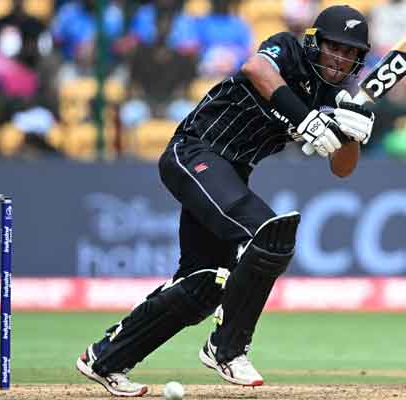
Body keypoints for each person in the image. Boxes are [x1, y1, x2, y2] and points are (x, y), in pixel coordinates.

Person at [75, 5, 376, 397]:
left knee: (201, 285)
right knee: (271, 234)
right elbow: (255, 69)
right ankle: (227, 348)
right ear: (315, 43)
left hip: (230, 175)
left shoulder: (335, 97)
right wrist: (307, 121)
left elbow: (342, 169)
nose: (341, 59)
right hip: (195, 151)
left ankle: (105, 359)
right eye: (335, 48)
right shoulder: (287, 49)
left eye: (351, 53)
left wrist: (353, 131)